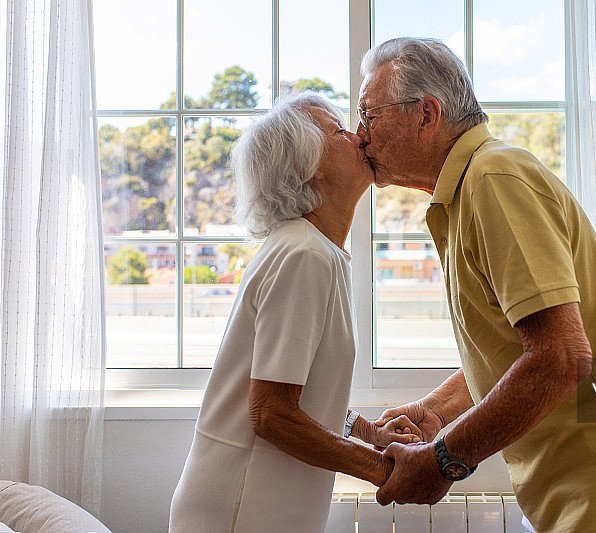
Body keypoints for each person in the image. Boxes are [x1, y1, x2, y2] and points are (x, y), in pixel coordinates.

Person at [356, 37, 596, 533]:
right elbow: (520, 346)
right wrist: (433, 411)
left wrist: (443, 460)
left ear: (427, 114)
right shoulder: (471, 188)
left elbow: (560, 357)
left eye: (368, 114)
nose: (359, 135)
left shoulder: (494, 179)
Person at [168, 92, 421, 533]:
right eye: (339, 130)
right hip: (241, 510)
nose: (358, 135)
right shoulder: (303, 255)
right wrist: (385, 469)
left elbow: (296, 392)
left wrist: (370, 432)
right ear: (309, 168)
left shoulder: (313, 251)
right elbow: (271, 413)